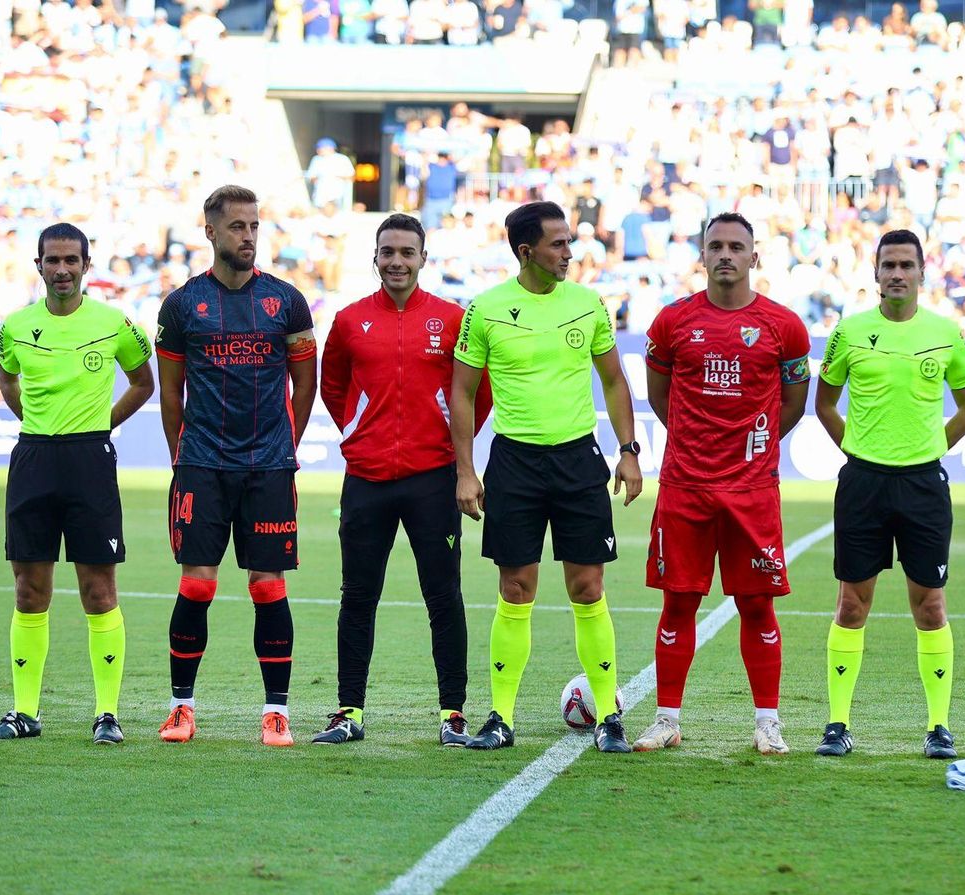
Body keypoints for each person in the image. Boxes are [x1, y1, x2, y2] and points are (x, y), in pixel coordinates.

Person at [449, 200, 643, 753]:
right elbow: (461, 392)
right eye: (558, 244)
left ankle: (609, 716)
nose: (569, 253)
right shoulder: (485, 309)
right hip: (514, 463)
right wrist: (466, 470)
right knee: (516, 588)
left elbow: (613, 380)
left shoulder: (588, 304)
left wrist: (627, 451)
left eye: (569, 242)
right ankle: (501, 718)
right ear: (526, 251)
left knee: (588, 587)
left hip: (579, 460)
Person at [628, 213, 811, 756]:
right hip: (685, 486)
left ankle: (767, 722)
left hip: (752, 490)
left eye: (737, 246)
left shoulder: (785, 325)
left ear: (755, 257)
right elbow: (660, 396)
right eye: (716, 246)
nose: (726, 254)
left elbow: (794, 402)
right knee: (678, 603)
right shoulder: (672, 321)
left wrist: (752, 446)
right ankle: (666, 719)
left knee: (757, 606)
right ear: (702, 257)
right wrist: (694, 439)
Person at [313, 213, 491, 747]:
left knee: (444, 596)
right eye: (387, 252)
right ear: (375, 258)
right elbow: (333, 384)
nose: (396, 261)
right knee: (357, 596)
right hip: (366, 478)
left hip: (432, 478)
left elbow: (475, 395)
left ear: (422, 258)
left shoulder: (453, 319)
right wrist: (357, 430)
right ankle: (349, 711)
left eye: (406, 252)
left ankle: (452, 714)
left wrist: (450, 447)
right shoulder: (348, 320)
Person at [154, 185, 318, 746]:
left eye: (254, 226)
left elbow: (305, 384)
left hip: (269, 468)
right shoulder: (181, 307)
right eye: (238, 227)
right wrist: (185, 458)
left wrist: (282, 444)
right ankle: (181, 708)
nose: (248, 236)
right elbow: (170, 398)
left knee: (268, 587)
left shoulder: (286, 302)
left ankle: (277, 712)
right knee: (197, 585)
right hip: (201, 465)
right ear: (211, 232)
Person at [0, 222, 155, 745]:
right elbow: (7, 379)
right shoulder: (15, 327)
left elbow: (144, 381)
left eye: (70, 261)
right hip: (33, 458)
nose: (62, 270)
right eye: (52, 261)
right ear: (39, 266)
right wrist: (32, 420)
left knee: (97, 589)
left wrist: (102, 423)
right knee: (29, 589)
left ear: (85, 265)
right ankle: (24, 713)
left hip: (90, 460)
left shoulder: (115, 323)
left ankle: (107, 714)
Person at [813, 229, 965, 760]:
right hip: (863, 483)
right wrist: (859, 451)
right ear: (876, 273)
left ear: (922, 274)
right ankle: (838, 723)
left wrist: (929, 450)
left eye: (907, 265)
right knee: (851, 603)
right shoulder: (850, 332)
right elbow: (824, 403)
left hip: (923, 484)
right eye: (889, 265)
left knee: (930, 605)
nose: (898, 274)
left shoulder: (947, 333)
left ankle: (938, 726)